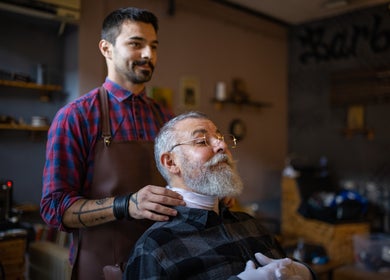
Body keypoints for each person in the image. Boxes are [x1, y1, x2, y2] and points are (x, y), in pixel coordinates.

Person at [40, 7, 186, 279]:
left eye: (153, 46)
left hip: (163, 265)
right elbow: (54, 207)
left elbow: (180, 184)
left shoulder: (167, 118)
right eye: (136, 43)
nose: (148, 55)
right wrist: (126, 204)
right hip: (102, 269)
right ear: (106, 48)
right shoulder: (75, 117)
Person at [123, 111, 315, 280]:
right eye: (202, 141)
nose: (222, 145)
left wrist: (304, 272)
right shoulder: (154, 249)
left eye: (220, 138)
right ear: (171, 162)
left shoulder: (249, 224)